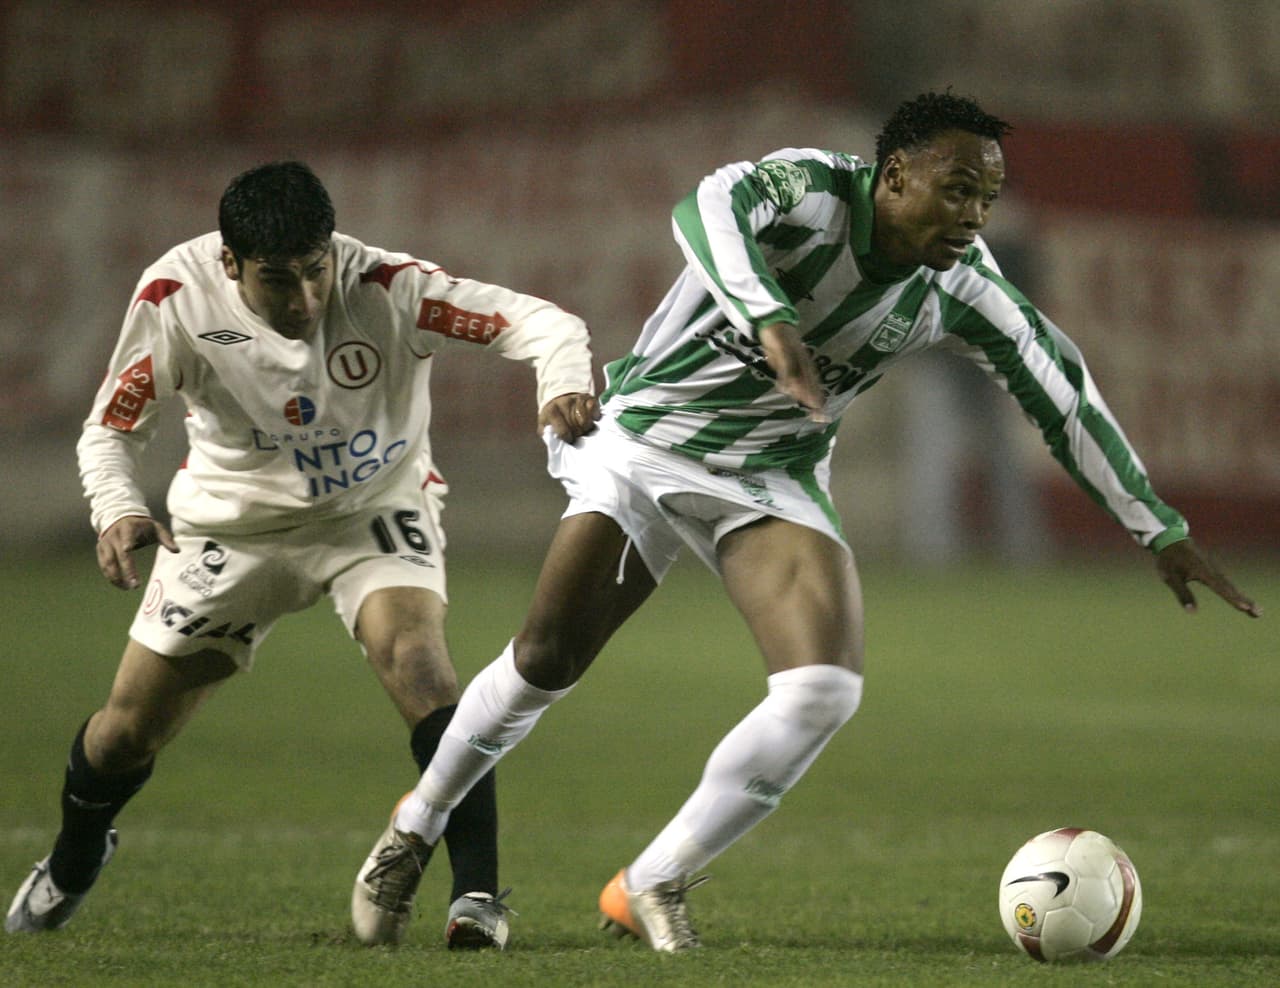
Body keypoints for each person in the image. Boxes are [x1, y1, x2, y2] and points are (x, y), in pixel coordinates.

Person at [347, 91, 1263, 952]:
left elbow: (1061, 388)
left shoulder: (964, 287)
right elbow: (706, 207)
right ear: (894, 175)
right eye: (956, 189)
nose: (974, 216)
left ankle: (654, 880)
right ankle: (418, 822)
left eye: (987, 197)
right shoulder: (814, 192)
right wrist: (771, 318)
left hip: (769, 475)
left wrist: (1156, 526)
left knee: (823, 688)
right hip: (646, 444)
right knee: (547, 658)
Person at [5, 161, 599, 950]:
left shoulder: (388, 288)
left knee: (419, 666)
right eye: (279, 280)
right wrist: (118, 509)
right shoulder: (176, 297)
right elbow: (112, 429)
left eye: (316, 271)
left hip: (373, 511)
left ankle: (477, 898)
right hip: (231, 528)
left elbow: (544, 323)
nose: (306, 300)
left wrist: (561, 384)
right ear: (231, 263)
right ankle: (76, 856)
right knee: (124, 735)